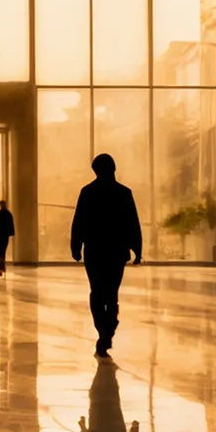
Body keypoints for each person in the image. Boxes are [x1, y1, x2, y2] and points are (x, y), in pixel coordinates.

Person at [70, 153, 143, 357]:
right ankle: (109, 327)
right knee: (111, 292)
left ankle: (103, 329)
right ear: (114, 168)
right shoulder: (124, 193)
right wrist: (137, 249)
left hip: (95, 251)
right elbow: (132, 223)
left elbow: (79, 222)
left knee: (96, 291)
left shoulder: (88, 192)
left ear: (95, 170)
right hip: (116, 252)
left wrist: (76, 247)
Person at [0, 199, 15, 275]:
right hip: (5, 236)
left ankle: (1, 268)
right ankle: (2, 267)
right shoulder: (9, 215)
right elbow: (11, 226)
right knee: (3, 251)